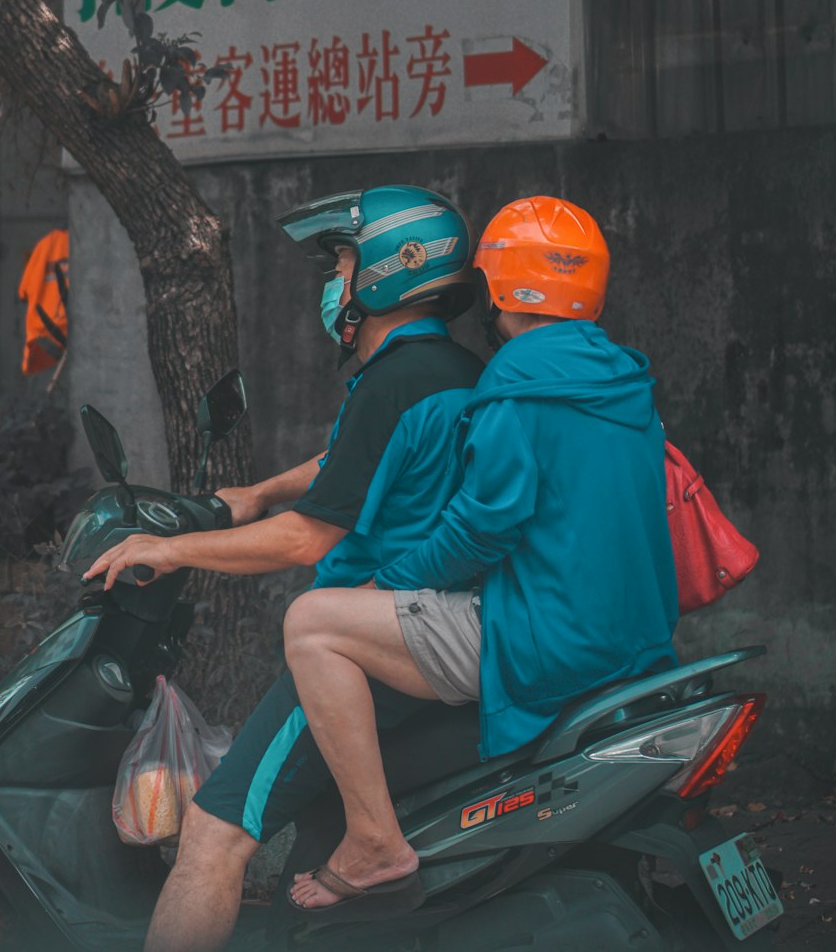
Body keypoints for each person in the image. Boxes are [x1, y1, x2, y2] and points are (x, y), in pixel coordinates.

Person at [84, 185, 485, 952]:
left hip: (360, 656)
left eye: (341, 261)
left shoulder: (394, 379)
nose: (333, 281)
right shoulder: (449, 371)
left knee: (213, 833)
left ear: (389, 271)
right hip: (429, 634)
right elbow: (360, 461)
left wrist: (167, 549)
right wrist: (261, 490)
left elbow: (305, 540)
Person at [283, 195, 680, 921]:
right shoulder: (624, 382)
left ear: (497, 287)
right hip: (638, 641)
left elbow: (479, 529)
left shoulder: (517, 384)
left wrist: (386, 584)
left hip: (551, 641)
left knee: (313, 622)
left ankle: (374, 839)